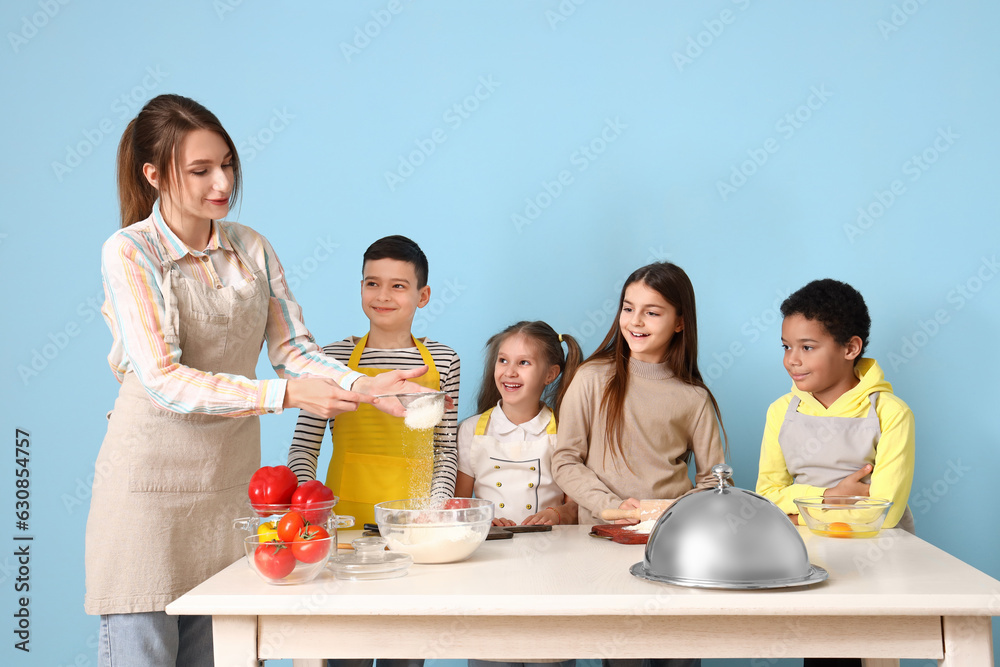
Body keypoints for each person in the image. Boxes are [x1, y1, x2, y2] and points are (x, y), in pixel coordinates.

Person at [84, 94, 430, 667]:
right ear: (153, 175)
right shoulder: (129, 252)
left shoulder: (251, 247)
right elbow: (165, 378)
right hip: (146, 492)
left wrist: (362, 385)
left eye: (227, 163)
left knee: (222, 654)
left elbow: (292, 348)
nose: (222, 182)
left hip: (228, 488)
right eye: (200, 170)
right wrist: (287, 395)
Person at [551, 261, 726, 667]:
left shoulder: (693, 397)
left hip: (673, 549)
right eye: (628, 308)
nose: (636, 321)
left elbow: (713, 482)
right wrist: (610, 505)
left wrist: (677, 517)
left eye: (652, 311)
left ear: (680, 322)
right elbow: (566, 459)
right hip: (604, 540)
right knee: (622, 657)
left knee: (679, 656)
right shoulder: (593, 378)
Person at [287, 235, 461, 527]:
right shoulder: (332, 359)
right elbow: (304, 447)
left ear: (423, 295)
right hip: (343, 520)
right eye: (372, 283)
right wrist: (310, 508)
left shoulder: (444, 360)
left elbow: (445, 450)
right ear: (361, 288)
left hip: (415, 523)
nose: (382, 296)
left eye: (398, 286)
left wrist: (434, 510)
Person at [755, 279, 916, 533]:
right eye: (786, 347)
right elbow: (767, 498)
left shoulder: (892, 414)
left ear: (850, 348)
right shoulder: (780, 411)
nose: (791, 360)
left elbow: (883, 512)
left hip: (876, 549)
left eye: (807, 347)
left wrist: (797, 517)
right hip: (803, 548)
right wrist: (829, 496)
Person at [455, 321, 581, 529]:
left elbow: (575, 507)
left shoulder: (565, 430)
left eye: (524, 363)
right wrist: (480, 520)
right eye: (503, 360)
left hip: (550, 547)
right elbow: (459, 505)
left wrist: (558, 514)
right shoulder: (471, 430)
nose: (510, 372)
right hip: (491, 547)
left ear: (550, 374)